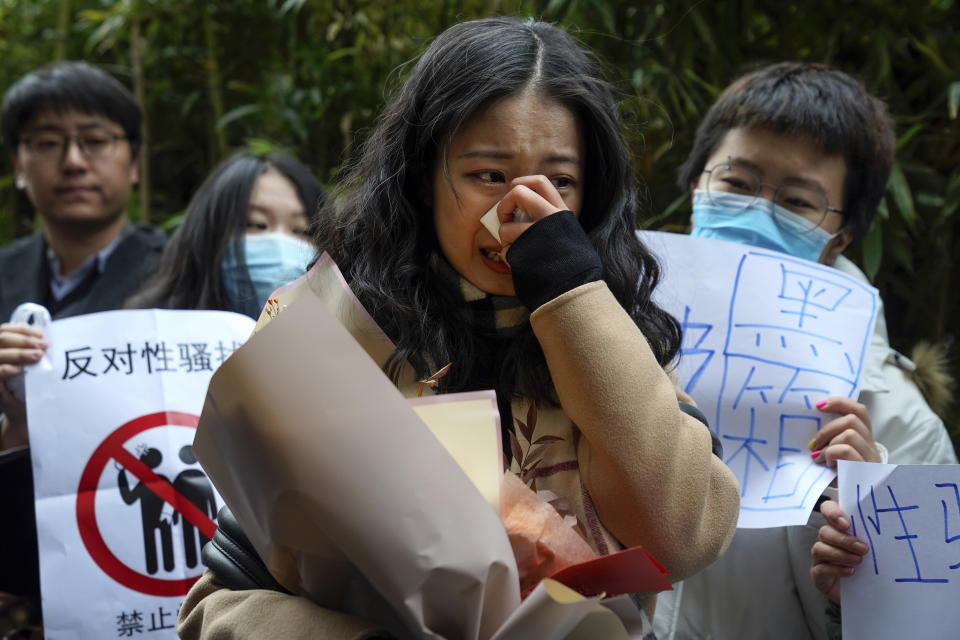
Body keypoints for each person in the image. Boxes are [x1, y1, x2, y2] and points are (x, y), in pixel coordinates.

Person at [178, 17, 740, 639]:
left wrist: (571, 291)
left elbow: (682, 537)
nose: (520, 210)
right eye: (489, 176)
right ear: (424, 177)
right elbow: (220, 601)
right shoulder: (335, 337)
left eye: (559, 182)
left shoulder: (619, 341)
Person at [653, 62, 958, 640]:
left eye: (796, 202)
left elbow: (930, 627)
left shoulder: (901, 428)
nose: (757, 211)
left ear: (840, 236)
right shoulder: (598, 337)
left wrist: (874, 537)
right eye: (737, 185)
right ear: (696, 184)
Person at [0, 61, 163, 635]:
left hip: (147, 577)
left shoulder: (179, 280)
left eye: (95, 141)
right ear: (18, 165)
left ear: (134, 162)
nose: (73, 161)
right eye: (48, 143)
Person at [125, 151, 324, 318]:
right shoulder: (146, 333)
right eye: (257, 224)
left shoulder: (344, 347)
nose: (281, 248)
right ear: (206, 235)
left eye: (302, 230)